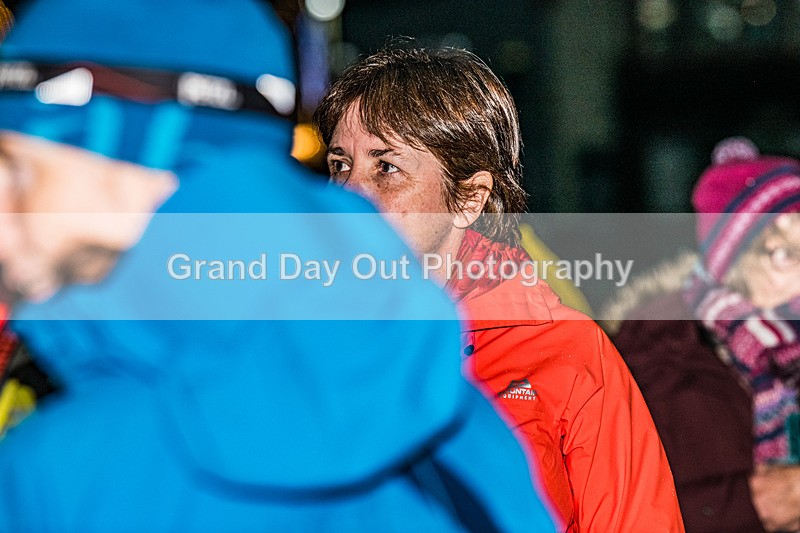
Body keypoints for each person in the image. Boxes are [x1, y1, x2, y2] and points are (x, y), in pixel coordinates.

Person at [0, 1, 558, 531]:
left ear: (140, 166)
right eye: (341, 164)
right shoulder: (449, 426)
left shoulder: (63, 468)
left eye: (19, 171)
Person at [314, 47, 684, 532]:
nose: (348, 193)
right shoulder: (298, 341)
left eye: (386, 168)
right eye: (340, 165)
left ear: (469, 197)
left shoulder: (565, 351)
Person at [605, 137, 800, 533]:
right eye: (783, 253)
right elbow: (637, 506)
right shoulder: (660, 357)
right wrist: (765, 503)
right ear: (732, 262)